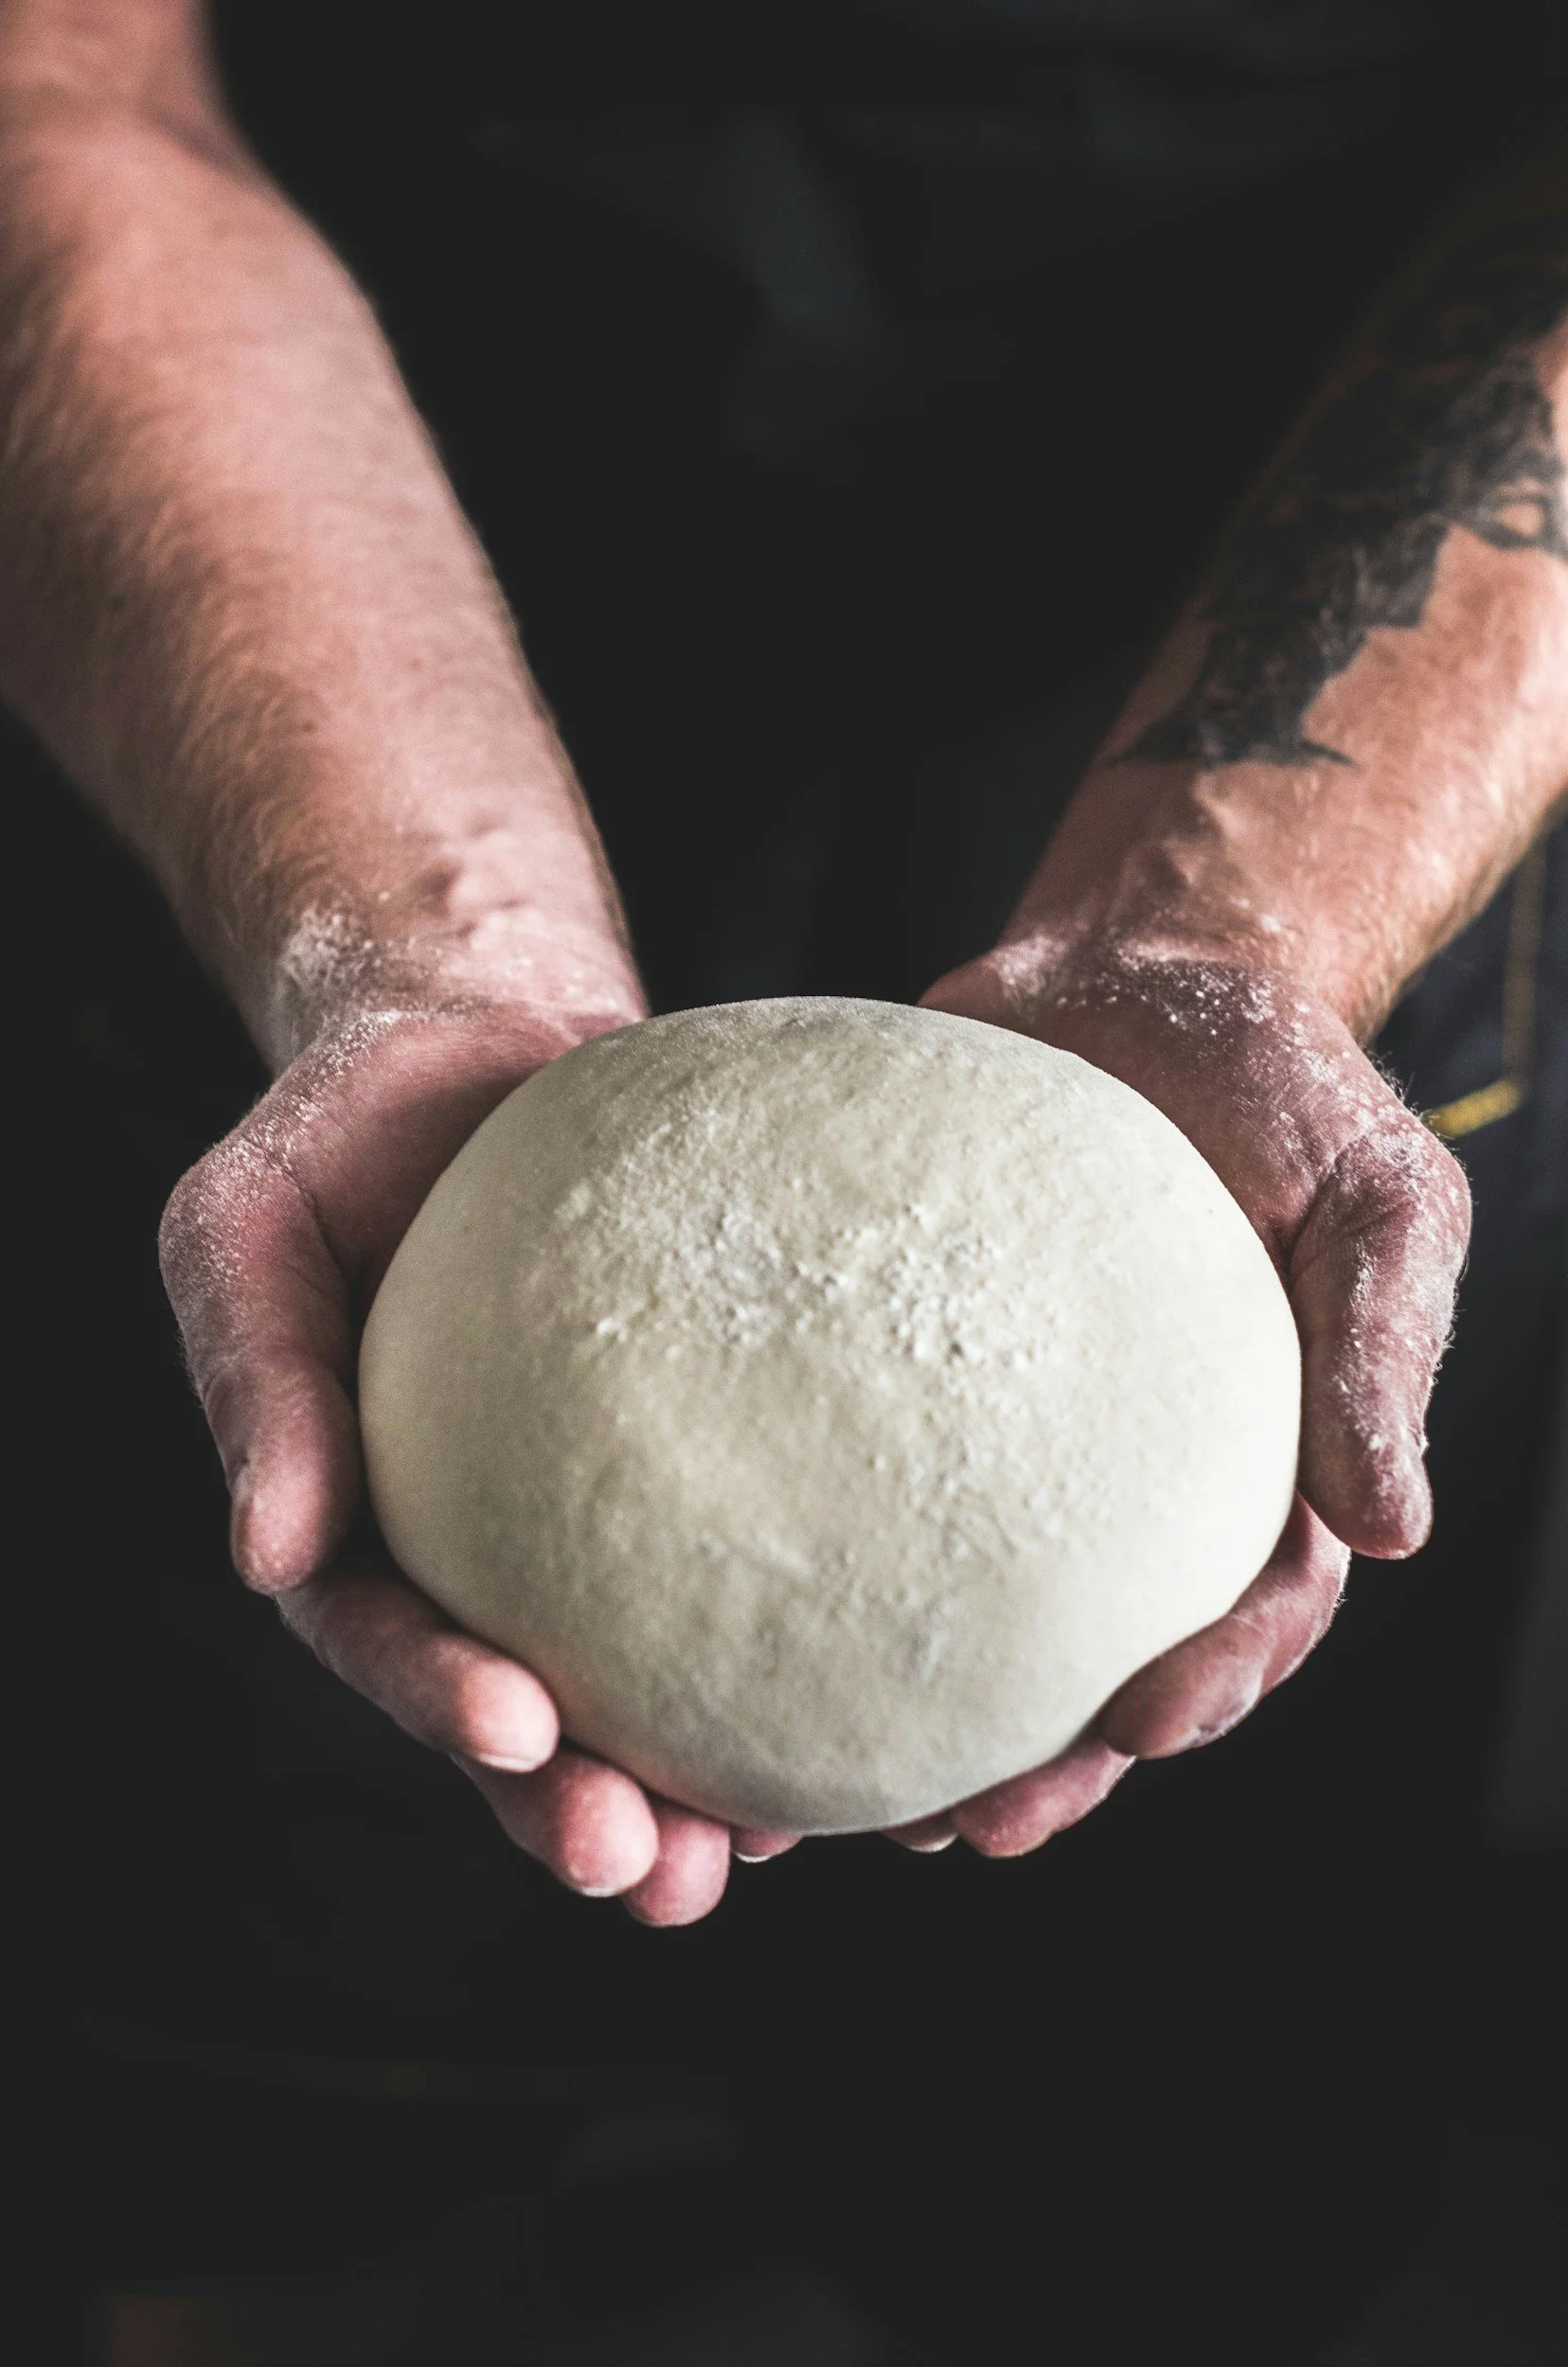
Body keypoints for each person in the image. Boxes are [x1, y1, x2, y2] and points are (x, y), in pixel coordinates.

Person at [4, 2, 1561, 2358]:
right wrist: (405, 952)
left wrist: (1228, 924)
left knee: (1145, 2161)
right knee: (261, 2092)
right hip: (281, 639)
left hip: (1294, 755)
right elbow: (53, 95)